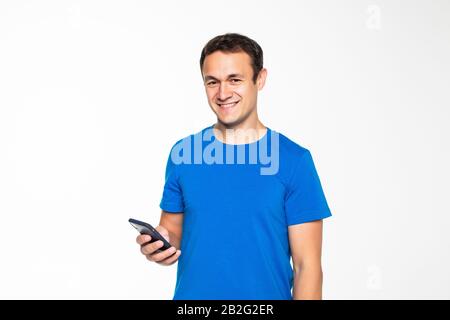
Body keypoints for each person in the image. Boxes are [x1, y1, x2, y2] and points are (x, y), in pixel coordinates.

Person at [135, 33, 332, 300]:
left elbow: (307, 267)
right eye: (212, 82)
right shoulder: (183, 154)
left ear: (259, 79)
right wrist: (159, 247)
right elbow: (172, 232)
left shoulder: (294, 160)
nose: (223, 93)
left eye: (234, 80)